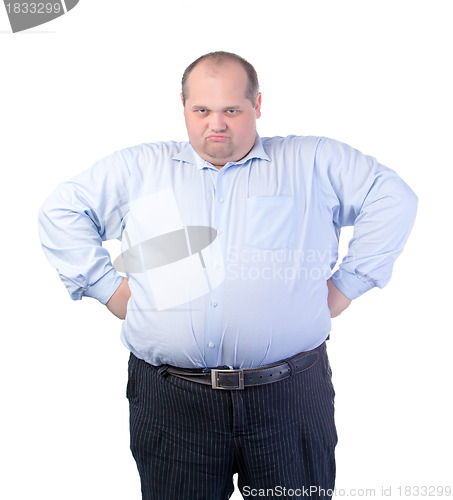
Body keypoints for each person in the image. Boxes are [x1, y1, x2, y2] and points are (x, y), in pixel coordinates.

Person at [38, 51, 417, 499]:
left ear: (257, 106)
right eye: (202, 110)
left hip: (289, 397)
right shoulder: (137, 169)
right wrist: (108, 290)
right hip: (173, 402)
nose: (216, 124)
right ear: (183, 106)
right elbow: (61, 212)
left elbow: (392, 195)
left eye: (231, 110)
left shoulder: (312, 160)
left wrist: (348, 285)